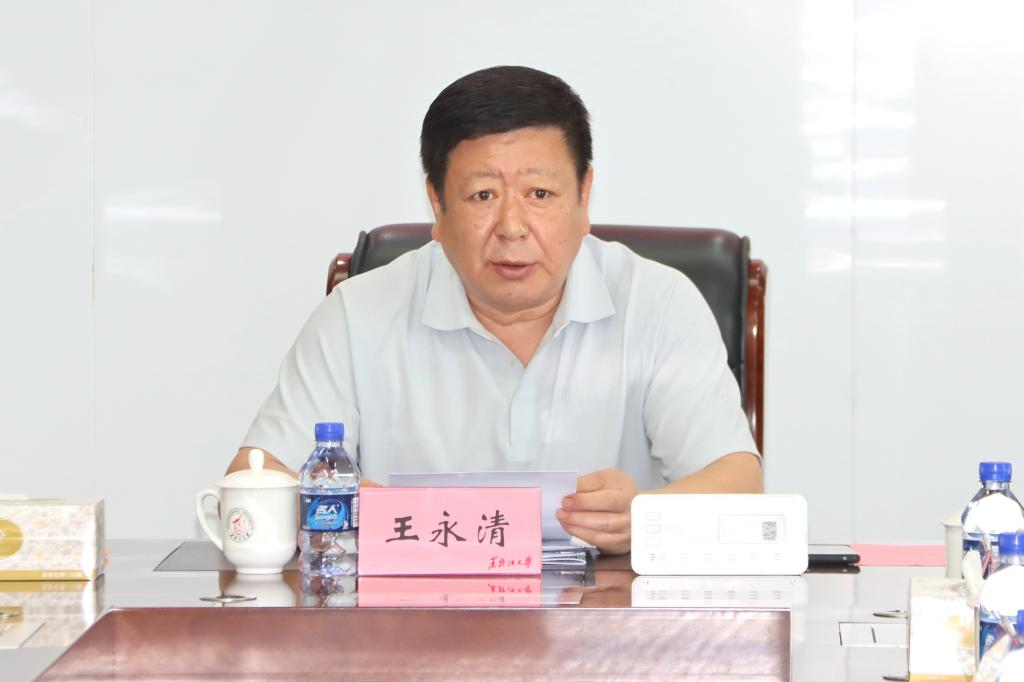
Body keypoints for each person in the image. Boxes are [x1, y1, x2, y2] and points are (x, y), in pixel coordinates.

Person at [227, 65, 762, 554]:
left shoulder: (658, 304)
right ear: (437, 204)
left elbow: (738, 483)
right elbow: (256, 479)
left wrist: (644, 516)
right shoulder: (358, 314)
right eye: (483, 195)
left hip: (603, 619)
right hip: (410, 620)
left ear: (584, 196)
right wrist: (348, 509)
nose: (512, 227)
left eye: (540, 193)